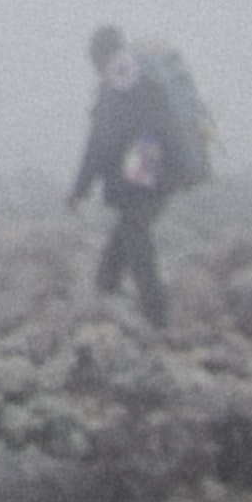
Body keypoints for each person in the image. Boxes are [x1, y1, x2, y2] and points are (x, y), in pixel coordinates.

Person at [71, 26, 180, 332]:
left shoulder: (116, 81)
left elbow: (100, 140)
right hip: (155, 168)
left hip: (138, 174)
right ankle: (104, 289)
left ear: (99, 55)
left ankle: (158, 320)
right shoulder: (139, 77)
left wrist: (80, 188)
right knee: (129, 231)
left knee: (137, 241)